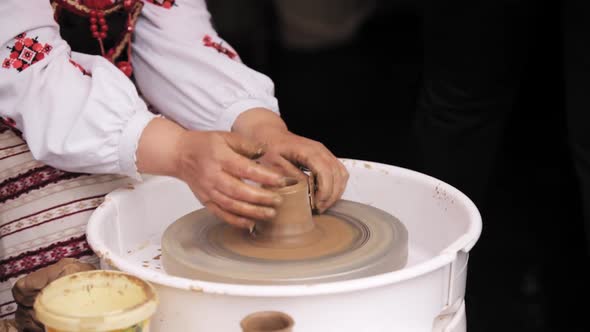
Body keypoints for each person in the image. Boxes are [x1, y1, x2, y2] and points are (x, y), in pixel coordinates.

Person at [0, 0, 348, 322]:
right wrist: (178, 150)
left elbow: (181, 43)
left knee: (207, 190)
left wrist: (262, 129)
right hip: (28, 108)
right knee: (76, 258)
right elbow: (27, 75)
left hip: (110, 106)